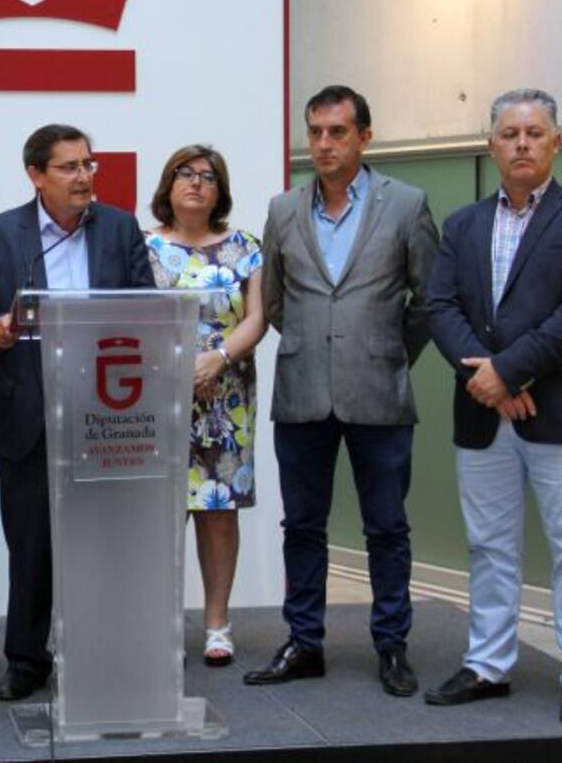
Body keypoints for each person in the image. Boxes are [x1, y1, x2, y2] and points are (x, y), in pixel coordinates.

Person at [424, 89, 562, 723]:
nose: (523, 144)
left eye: (535, 133)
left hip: (561, 416)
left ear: (556, 142)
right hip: (483, 416)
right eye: (510, 134)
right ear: (491, 146)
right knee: (489, 546)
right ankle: (488, 663)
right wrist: (486, 379)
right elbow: (441, 307)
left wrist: (506, 372)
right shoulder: (463, 225)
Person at [0, 123, 155, 702]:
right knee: (32, 546)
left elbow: (146, 302)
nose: (84, 176)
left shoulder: (119, 227)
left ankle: (103, 654)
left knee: (105, 545)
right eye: (69, 167)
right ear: (36, 175)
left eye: (89, 164)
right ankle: (26, 660)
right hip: (29, 411)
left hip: (108, 412)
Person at [245, 85, 438, 697]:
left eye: (337, 132)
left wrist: (386, 350)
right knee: (302, 525)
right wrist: (315, 344)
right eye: (315, 132)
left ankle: (392, 645)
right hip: (302, 389)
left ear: (365, 137)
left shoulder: (406, 204)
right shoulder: (282, 209)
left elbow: (429, 298)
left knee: (386, 528)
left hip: (379, 390)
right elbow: (274, 300)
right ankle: (304, 641)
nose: (324, 144)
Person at [144, 145, 266, 666]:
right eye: (186, 173)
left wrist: (217, 358)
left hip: (226, 398)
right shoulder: (142, 248)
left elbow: (257, 318)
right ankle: (159, 624)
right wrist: (176, 368)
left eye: (208, 176)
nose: (196, 183)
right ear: (168, 185)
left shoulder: (245, 247)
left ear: (221, 191)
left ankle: (217, 623)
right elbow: (127, 318)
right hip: (156, 398)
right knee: (157, 513)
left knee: (217, 511)